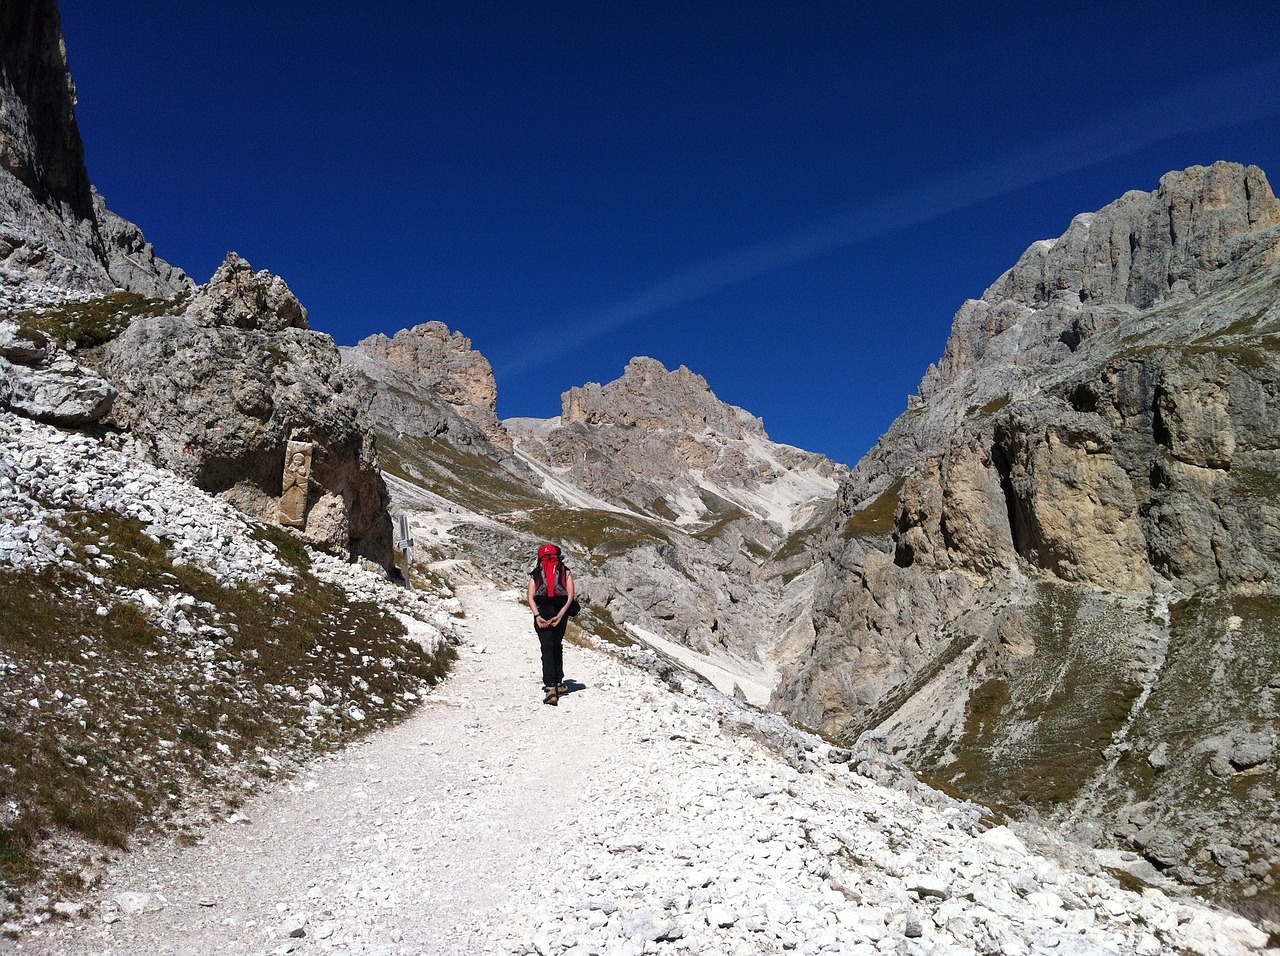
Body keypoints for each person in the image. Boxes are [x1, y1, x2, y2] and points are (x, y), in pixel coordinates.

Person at [527, 543, 575, 706]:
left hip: (542, 611)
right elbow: (570, 595)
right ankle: (559, 683)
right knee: (556, 645)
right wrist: (561, 615)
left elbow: (530, 597)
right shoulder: (565, 571)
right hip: (560, 612)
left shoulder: (536, 572)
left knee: (546, 647)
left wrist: (538, 615)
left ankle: (550, 687)